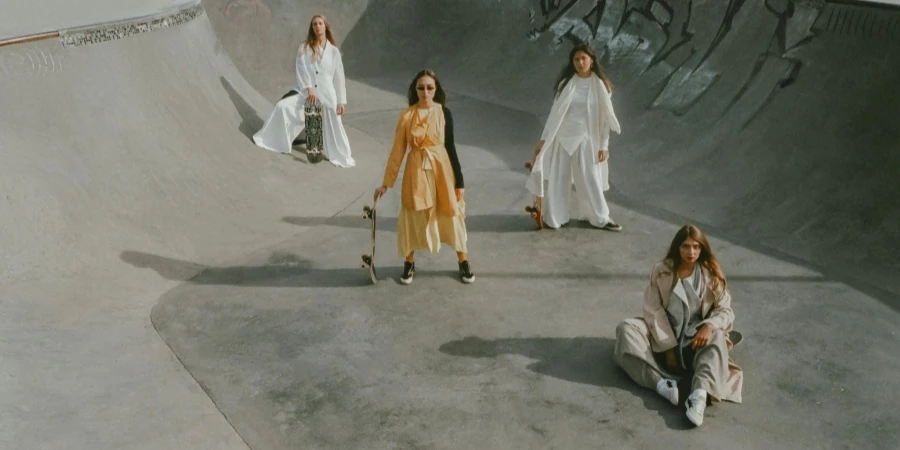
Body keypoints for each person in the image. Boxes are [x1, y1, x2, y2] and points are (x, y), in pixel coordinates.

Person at [614, 225, 743, 427]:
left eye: (695, 247)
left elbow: (726, 310)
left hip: (696, 342)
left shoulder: (711, 274)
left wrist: (709, 325)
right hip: (662, 338)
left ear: (702, 249)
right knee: (626, 329)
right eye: (685, 246)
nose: (691, 252)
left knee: (717, 335)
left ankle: (698, 396)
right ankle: (661, 385)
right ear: (677, 247)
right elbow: (653, 308)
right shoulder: (662, 270)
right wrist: (668, 347)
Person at [373, 70, 474, 285]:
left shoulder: (444, 113)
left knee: (451, 214)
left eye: (430, 87)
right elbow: (397, 151)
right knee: (412, 215)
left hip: (442, 171)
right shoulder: (407, 115)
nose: (425, 92)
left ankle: (463, 260)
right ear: (415, 90)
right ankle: (409, 263)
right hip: (416, 172)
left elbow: (450, 147)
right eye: (421, 87)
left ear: (436, 89)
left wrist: (460, 181)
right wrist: (386, 183)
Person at [526, 43, 621, 231]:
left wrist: (604, 145)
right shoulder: (566, 85)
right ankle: (554, 217)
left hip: (586, 139)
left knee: (590, 178)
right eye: (576, 59)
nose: (580, 62)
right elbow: (554, 115)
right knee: (558, 179)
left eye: (583, 58)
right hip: (562, 138)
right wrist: (543, 140)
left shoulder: (601, 86)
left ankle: (600, 217)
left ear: (592, 61)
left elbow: (605, 120)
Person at [252, 14, 355, 167]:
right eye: (314, 24)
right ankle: (274, 140)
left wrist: (341, 101)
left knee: (335, 124)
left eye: (320, 23)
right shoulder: (305, 47)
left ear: (326, 26)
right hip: (306, 92)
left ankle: (340, 154)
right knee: (283, 107)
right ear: (312, 28)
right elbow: (301, 69)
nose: (317, 26)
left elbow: (339, 78)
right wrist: (309, 89)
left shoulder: (333, 52)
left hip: (327, 94)